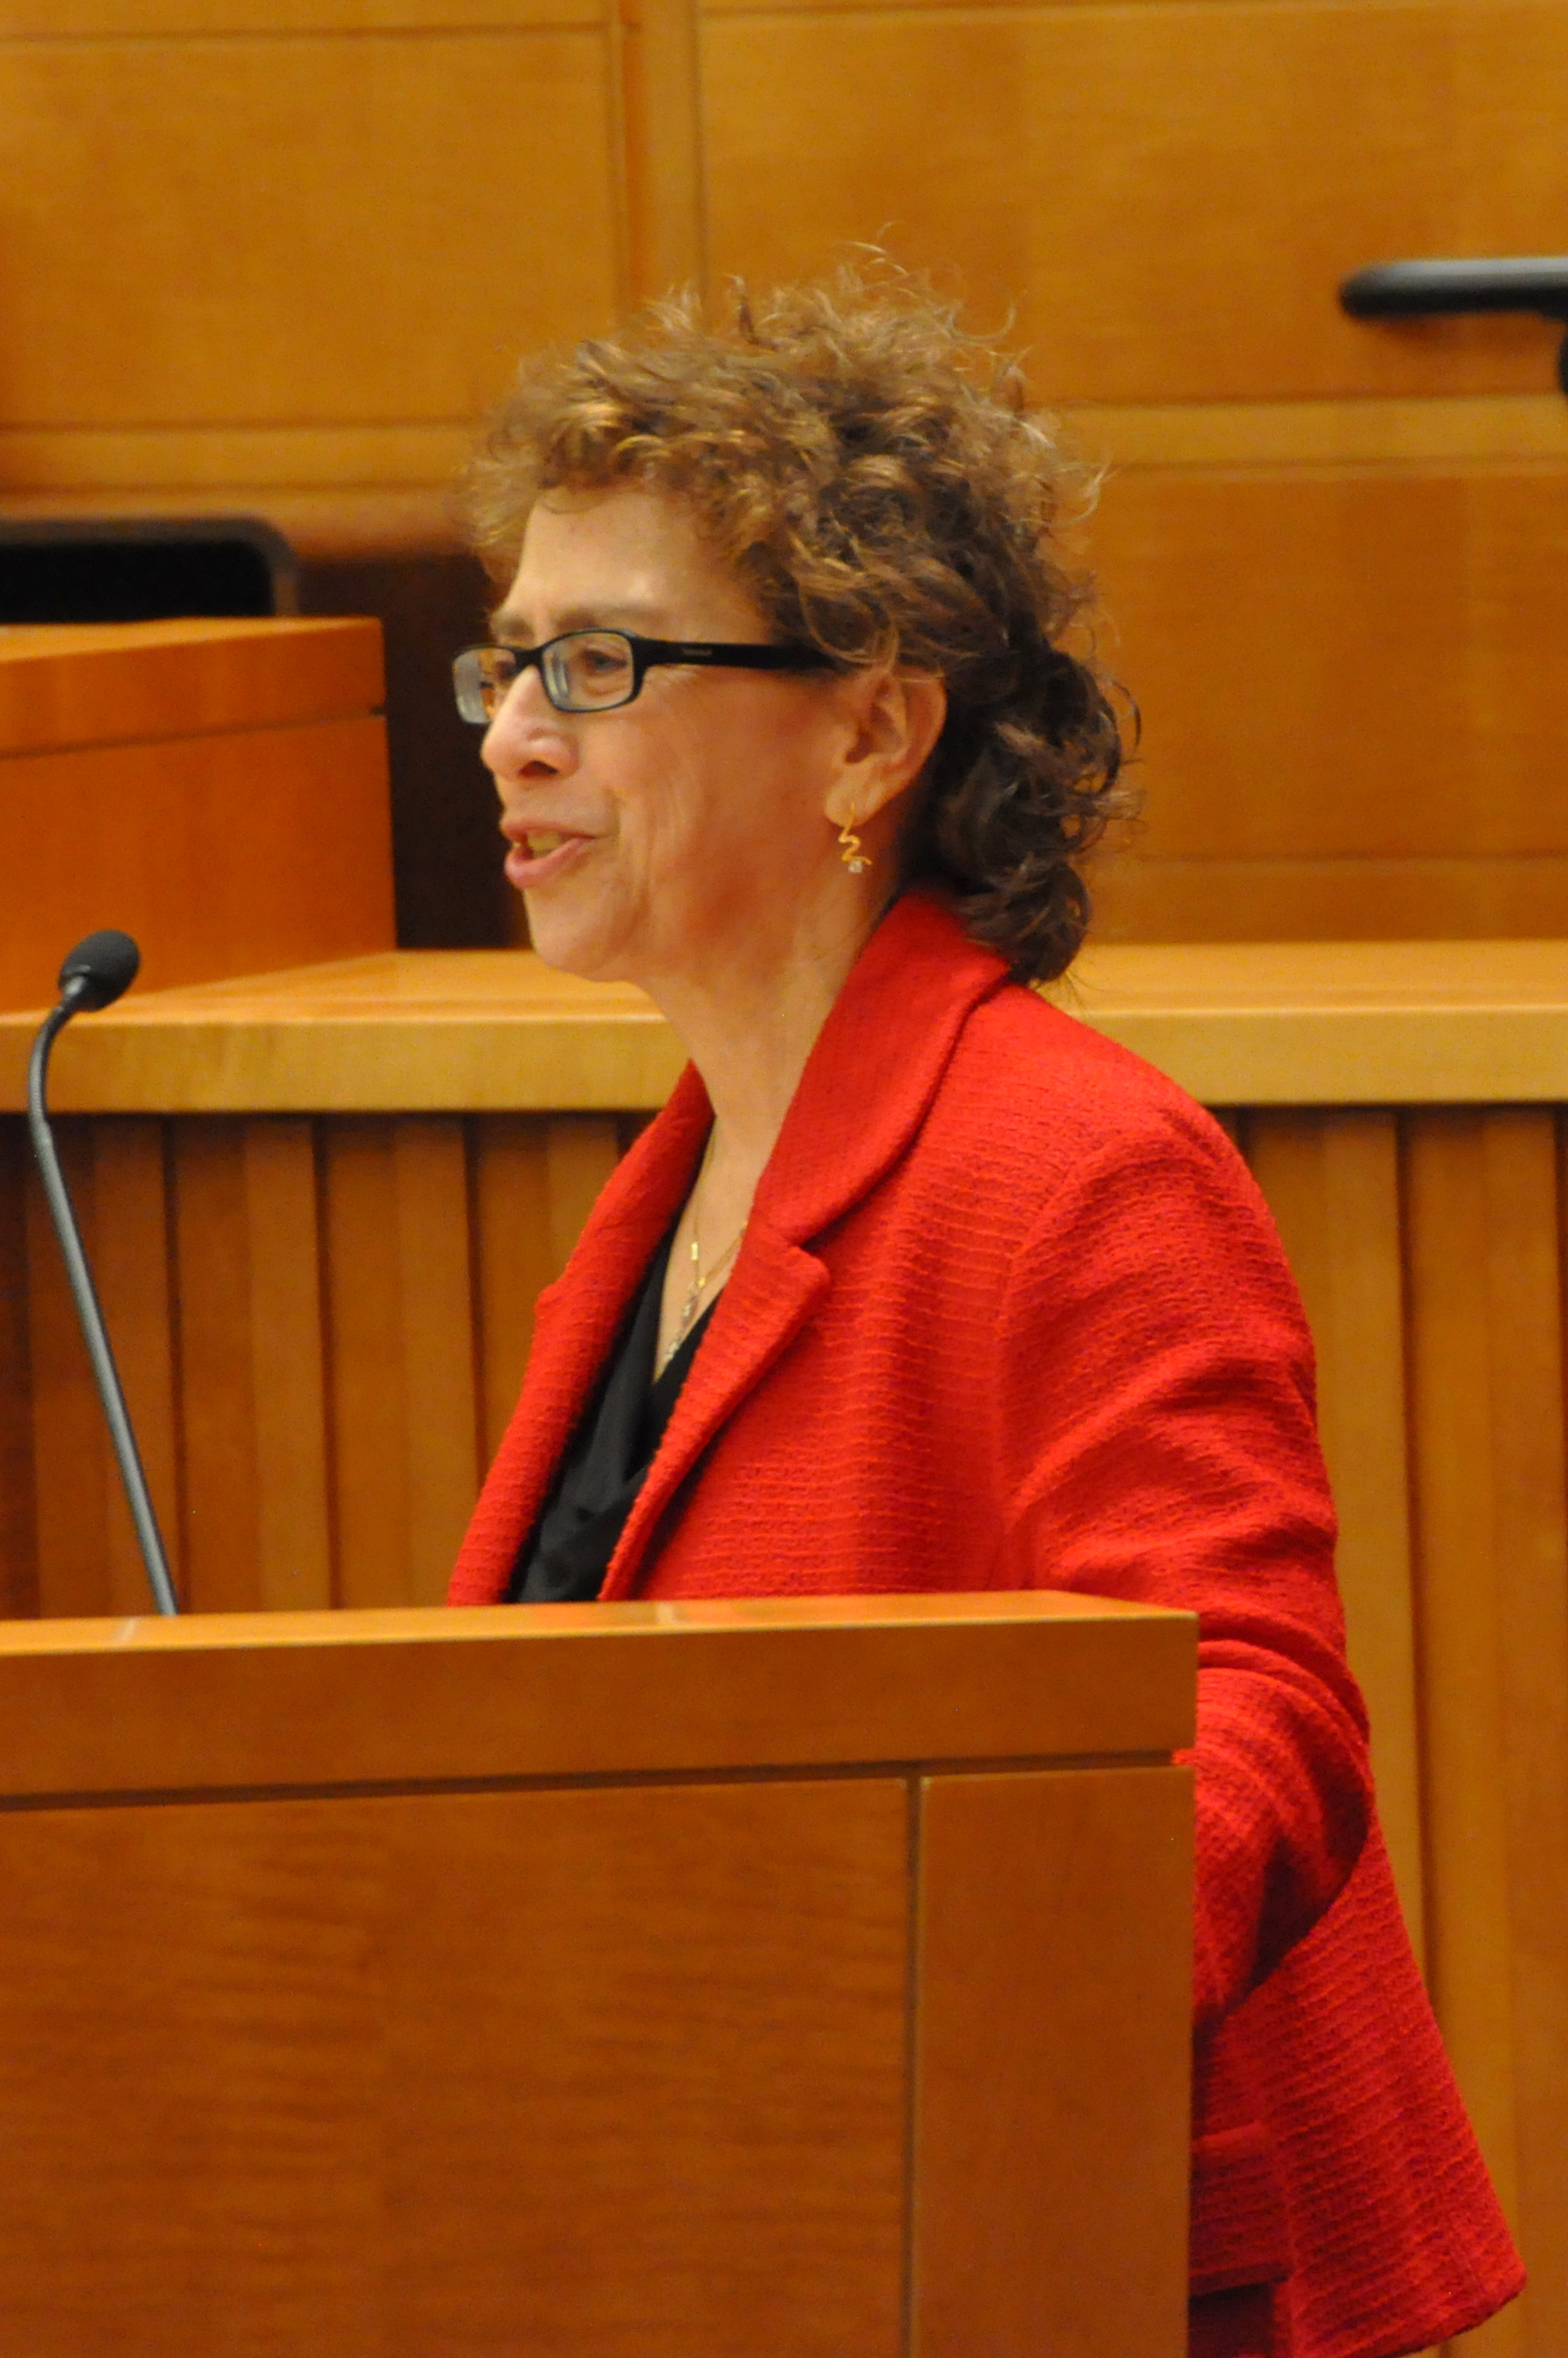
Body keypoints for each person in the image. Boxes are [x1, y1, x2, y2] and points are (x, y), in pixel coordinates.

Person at [445, 266, 1523, 2357]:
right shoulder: (665, 1200)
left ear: (869, 728)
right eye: (508, 657)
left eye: (598, 660)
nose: (513, 729)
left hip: (1077, 2254)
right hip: (776, 2246)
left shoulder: (1074, 1166)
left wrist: (910, 2001)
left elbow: (1250, 1716)